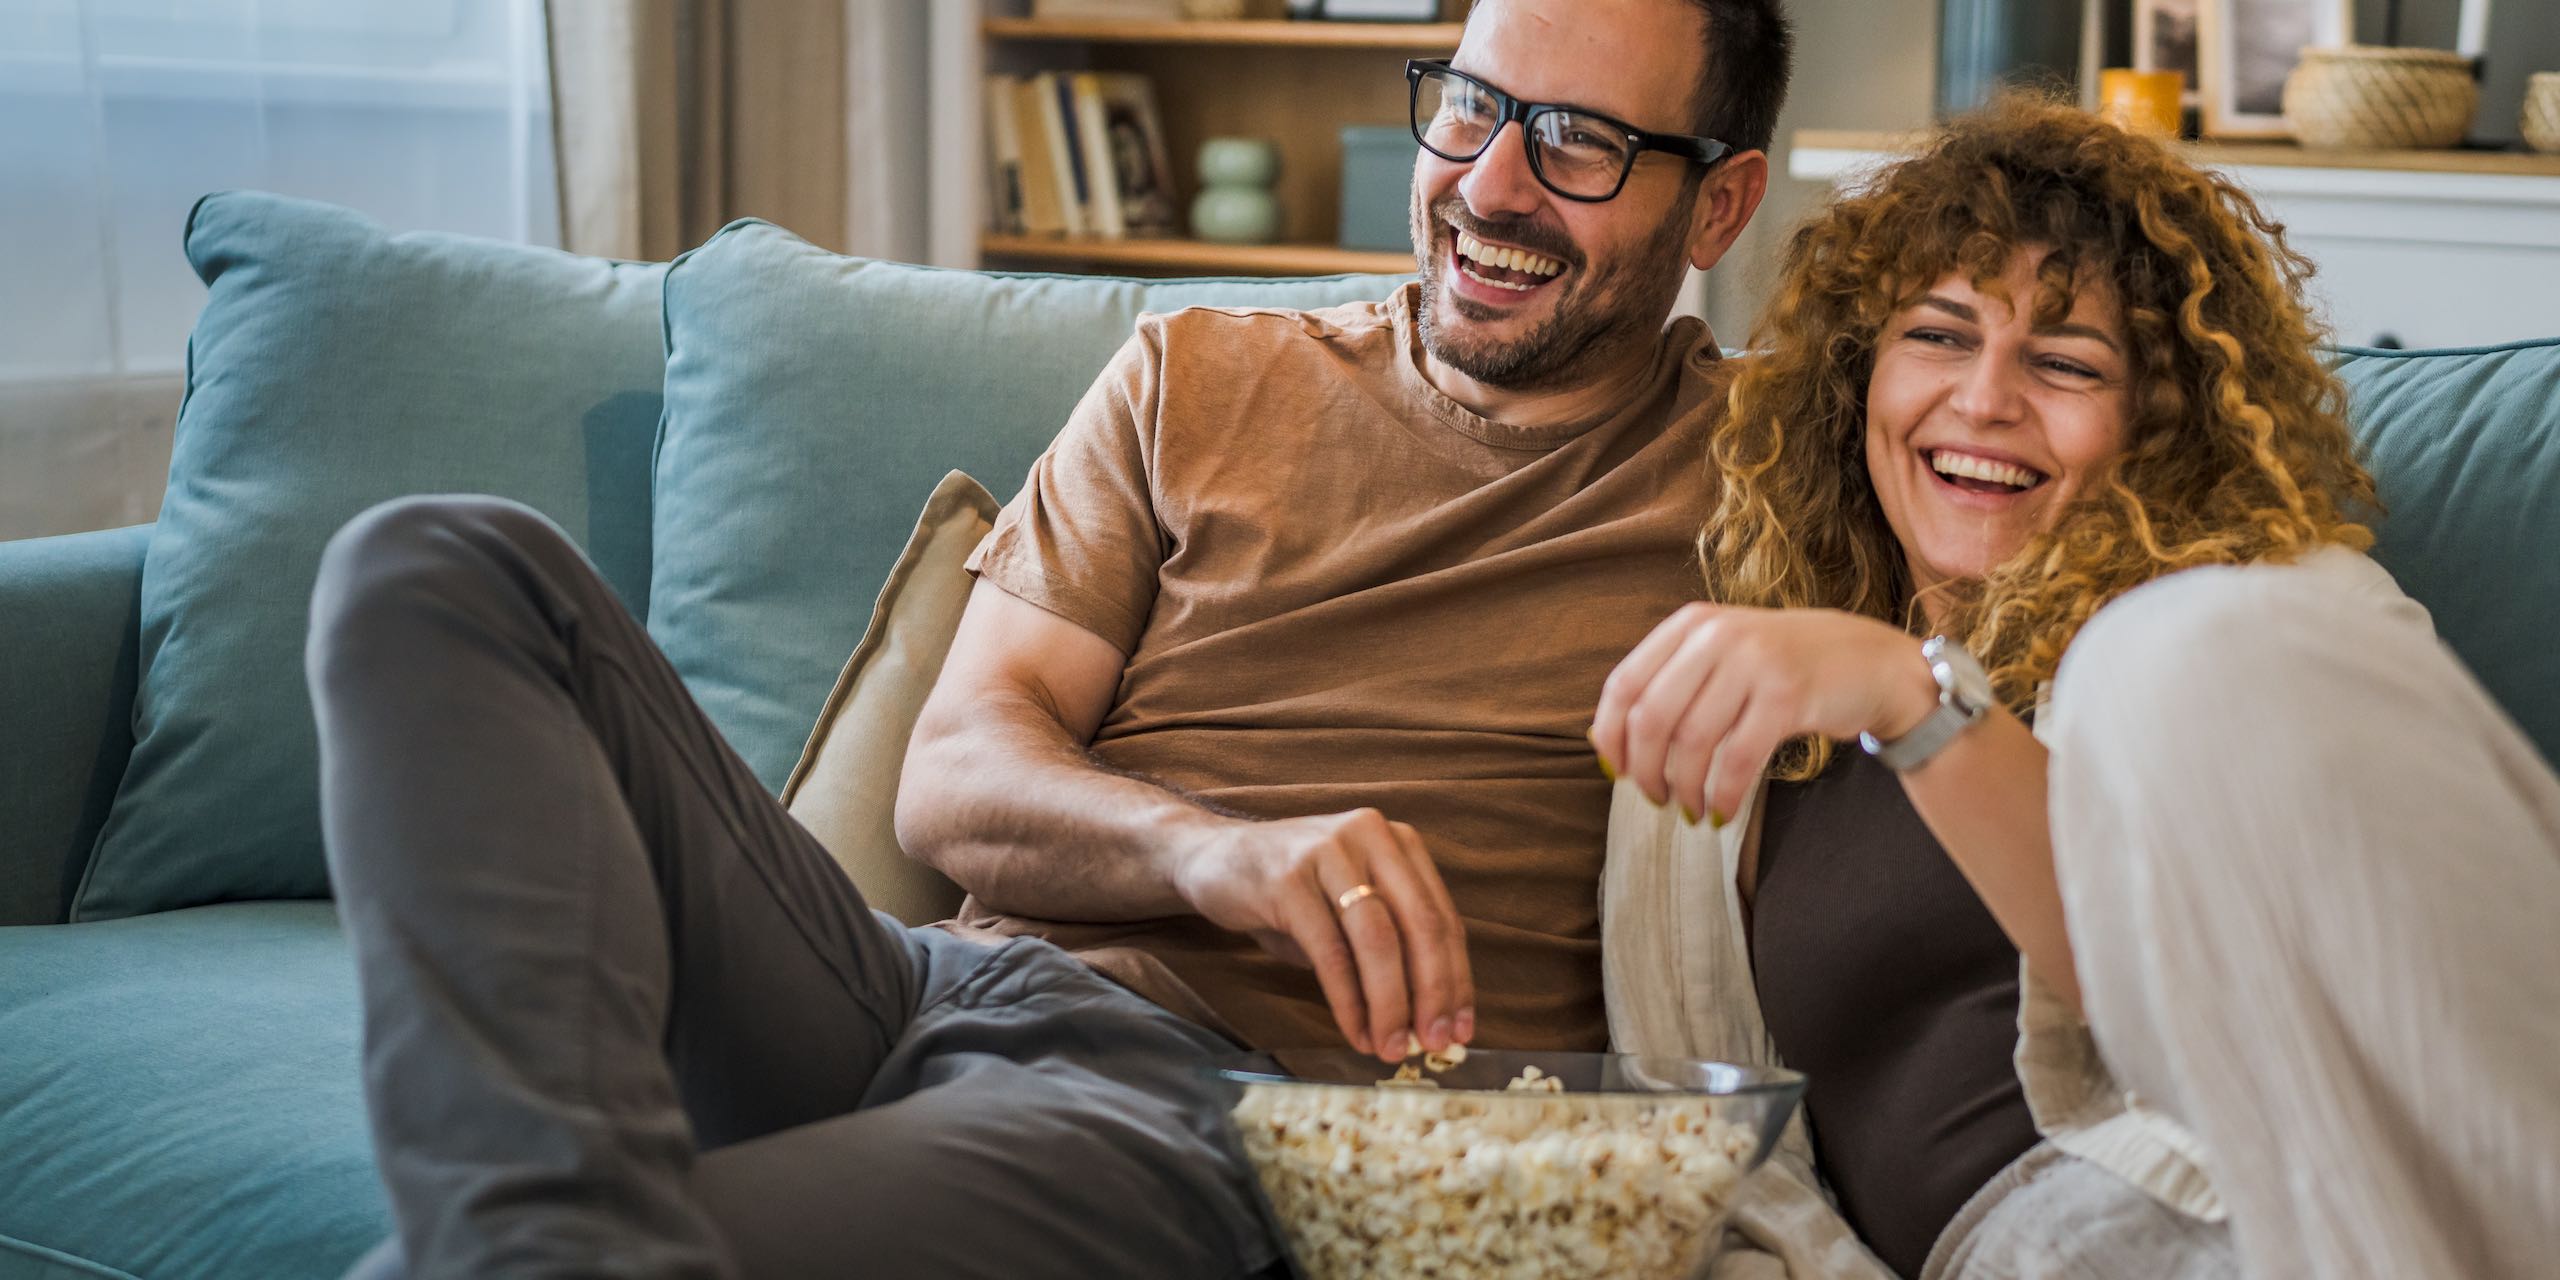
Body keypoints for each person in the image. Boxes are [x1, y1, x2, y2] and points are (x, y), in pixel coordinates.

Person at [307, 0, 1791, 1274]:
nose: (1492, 183)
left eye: (1580, 141)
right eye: (1470, 107)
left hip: (1209, 1099)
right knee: (433, 563)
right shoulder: (1197, 375)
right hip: (910, 980)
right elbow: (953, 776)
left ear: (1719, 205)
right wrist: (1213, 854)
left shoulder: (1778, 481)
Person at [1592, 97, 2560, 1278]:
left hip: (2267, 1218)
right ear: (1857, 378)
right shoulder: (1750, 705)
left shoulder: (2262, 631)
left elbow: (2204, 989)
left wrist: (1914, 696)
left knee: (2165, 655)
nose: (1986, 397)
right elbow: (1713, 1148)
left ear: (2157, 421)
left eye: (2062, 362)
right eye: (1939, 336)